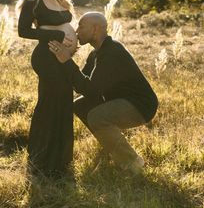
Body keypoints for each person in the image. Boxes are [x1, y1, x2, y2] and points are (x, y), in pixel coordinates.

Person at [48, 12, 159, 175]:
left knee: (97, 117)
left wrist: (68, 61)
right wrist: (64, 58)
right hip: (120, 100)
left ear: (96, 29)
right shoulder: (95, 54)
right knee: (80, 105)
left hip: (140, 105)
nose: (77, 31)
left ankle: (132, 163)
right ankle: (110, 148)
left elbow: (92, 89)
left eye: (81, 26)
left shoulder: (112, 51)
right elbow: (81, 85)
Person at [16, 0, 77, 178]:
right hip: (46, 57)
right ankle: (40, 160)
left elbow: (66, 24)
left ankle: (61, 159)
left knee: (64, 103)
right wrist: (57, 34)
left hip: (63, 56)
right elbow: (23, 31)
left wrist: (73, 42)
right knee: (49, 103)